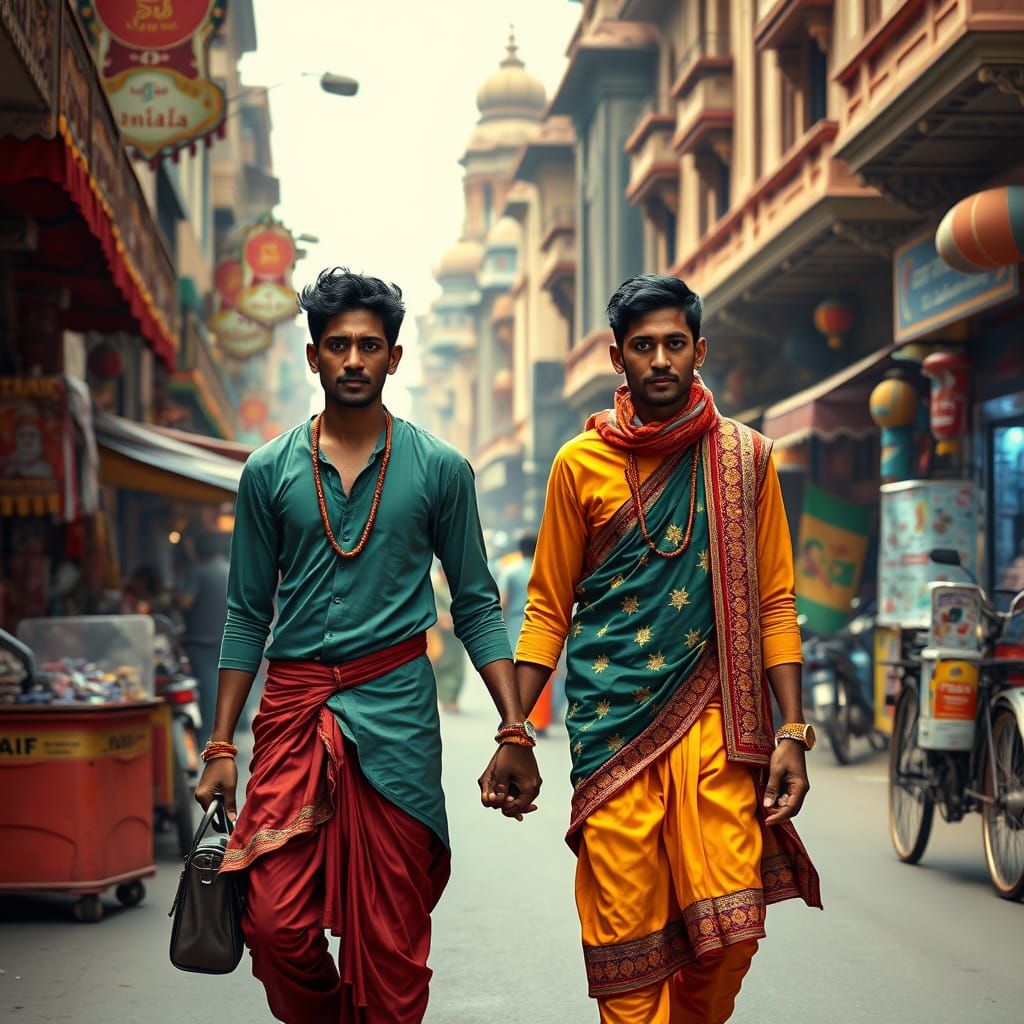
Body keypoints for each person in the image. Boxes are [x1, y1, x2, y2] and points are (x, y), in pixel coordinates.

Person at [194, 267, 540, 1024]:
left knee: (392, 939)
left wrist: (515, 727)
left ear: (395, 358)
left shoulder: (442, 469)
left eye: (370, 346)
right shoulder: (266, 472)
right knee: (274, 925)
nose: (355, 360)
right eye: (339, 345)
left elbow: (479, 605)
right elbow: (247, 613)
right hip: (293, 708)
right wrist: (221, 743)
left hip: (397, 707)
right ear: (314, 356)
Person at [481, 274, 821, 1023]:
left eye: (675, 343)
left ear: (700, 350)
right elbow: (547, 607)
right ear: (617, 358)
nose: (661, 359)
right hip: (612, 731)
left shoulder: (747, 459)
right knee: (628, 947)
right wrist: (515, 729)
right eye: (644, 346)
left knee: (730, 936)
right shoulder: (578, 465)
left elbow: (774, 600)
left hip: (720, 728)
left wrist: (793, 729)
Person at [178, 531, 230, 732]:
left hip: (201, 641)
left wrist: (175, 596)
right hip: (226, 638)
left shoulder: (198, 571)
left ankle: (208, 736)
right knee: (223, 687)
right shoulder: (230, 569)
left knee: (207, 692)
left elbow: (186, 601)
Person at [498, 533, 551, 733]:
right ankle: (540, 719)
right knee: (540, 666)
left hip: (514, 623)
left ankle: (517, 717)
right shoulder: (546, 570)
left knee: (515, 670)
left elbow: (502, 601)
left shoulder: (511, 571)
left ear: (520, 549)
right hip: (542, 623)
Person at [429, 563, 465, 713]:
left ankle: (453, 699)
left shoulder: (457, 587)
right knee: (443, 666)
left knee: (458, 668)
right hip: (440, 634)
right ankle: (446, 699)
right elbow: (434, 609)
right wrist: (443, 619)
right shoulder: (435, 587)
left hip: (457, 634)